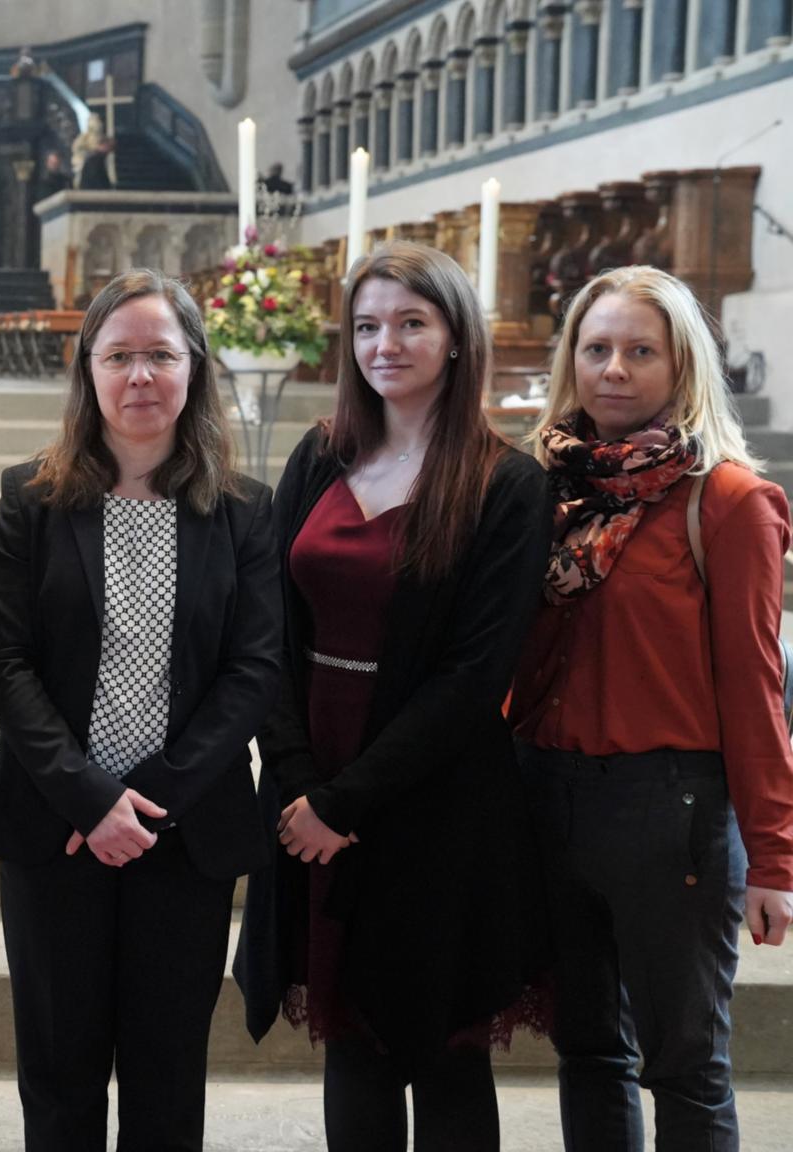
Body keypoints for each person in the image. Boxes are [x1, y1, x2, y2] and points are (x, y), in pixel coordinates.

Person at [233, 241, 552, 1152]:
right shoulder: (321, 456)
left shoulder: (505, 483)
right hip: (311, 776)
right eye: (368, 325)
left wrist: (342, 803)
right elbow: (268, 632)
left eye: (412, 323)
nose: (386, 344)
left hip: (434, 793)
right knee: (350, 1041)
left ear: (456, 339)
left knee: (440, 1047)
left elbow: (475, 675)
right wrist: (297, 780)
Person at [0, 269, 283, 1150]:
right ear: (89, 371)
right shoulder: (31, 499)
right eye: (120, 356)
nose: (140, 376)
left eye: (161, 354)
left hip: (183, 834)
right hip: (55, 827)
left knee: (166, 1074)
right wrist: (89, 799)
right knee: (59, 1073)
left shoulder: (243, 511)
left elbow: (253, 670)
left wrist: (147, 803)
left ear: (195, 368)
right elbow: (5, 659)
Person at [512, 265, 793, 1149]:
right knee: (588, 1050)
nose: (614, 370)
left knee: (685, 1065)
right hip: (547, 794)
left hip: (667, 807)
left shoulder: (731, 501)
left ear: (684, 367)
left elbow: (757, 688)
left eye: (642, 351)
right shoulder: (543, 493)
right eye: (596, 349)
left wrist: (776, 857)